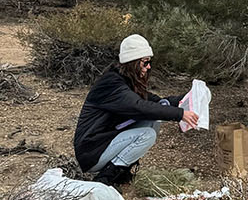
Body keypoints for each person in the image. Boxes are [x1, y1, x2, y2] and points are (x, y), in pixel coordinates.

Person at [73, 34, 199, 186]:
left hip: (104, 142)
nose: (149, 67)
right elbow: (139, 106)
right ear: (133, 62)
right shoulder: (111, 84)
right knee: (147, 134)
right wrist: (180, 115)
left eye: (149, 62)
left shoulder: (125, 80)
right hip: (91, 152)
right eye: (145, 62)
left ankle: (121, 171)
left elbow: (155, 101)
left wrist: (185, 99)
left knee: (152, 121)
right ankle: (106, 178)